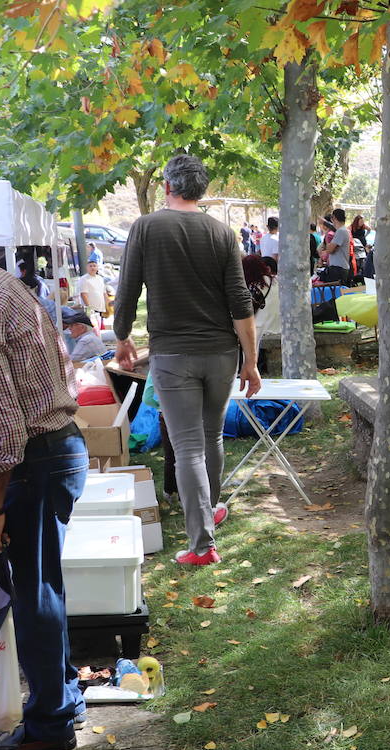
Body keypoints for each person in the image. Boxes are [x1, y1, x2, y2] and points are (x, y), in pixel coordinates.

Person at [0, 247, 90, 750]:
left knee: (34, 594)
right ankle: (61, 701)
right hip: (52, 450)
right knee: (42, 586)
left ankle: (49, 723)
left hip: (32, 460)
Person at [112, 153, 262, 566]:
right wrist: (250, 360)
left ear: (166, 186)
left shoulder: (145, 227)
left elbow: (127, 290)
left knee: (189, 446)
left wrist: (122, 336)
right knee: (210, 439)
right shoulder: (221, 233)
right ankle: (208, 512)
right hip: (221, 355)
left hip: (174, 355)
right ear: (203, 189)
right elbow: (240, 301)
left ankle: (202, 545)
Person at [320, 209, 353, 284]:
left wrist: (328, 242)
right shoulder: (344, 231)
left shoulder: (341, 231)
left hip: (338, 269)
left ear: (334, 218)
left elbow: (330, 250)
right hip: (340, 268)